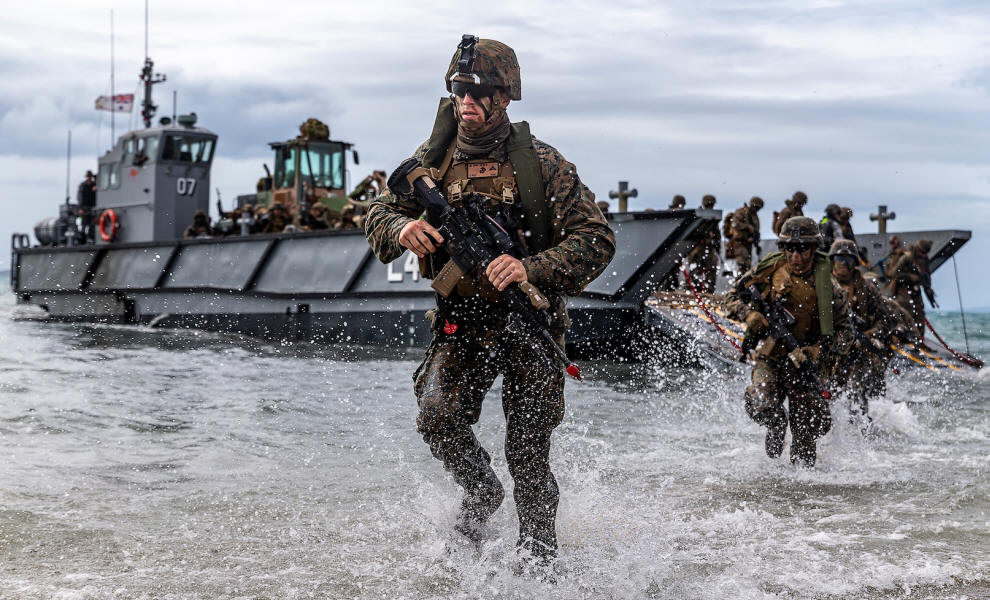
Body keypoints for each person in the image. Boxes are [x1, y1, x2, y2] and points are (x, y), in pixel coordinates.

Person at [364, 35, 615, 563]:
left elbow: (596, 239)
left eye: (478, 93)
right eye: (459, 91)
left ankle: (539, 564)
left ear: (504, 98)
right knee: (436, 417)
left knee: (528, 455)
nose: (466, 101)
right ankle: (481, 491)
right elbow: (379, 213)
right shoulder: (431, 160)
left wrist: (529, 267)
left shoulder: (542, 164)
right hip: (462, 322)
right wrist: (402, 227)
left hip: (529, 323)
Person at [726, 217, 852, 467]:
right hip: (772, 356)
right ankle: (776, 424)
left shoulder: (828, 286)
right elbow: (731, 298)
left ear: (814, 248)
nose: (795, 256)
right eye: (790, 248)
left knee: (806, 434)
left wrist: (818, 350)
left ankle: (801, 485)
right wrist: (749, 315)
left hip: (807, 365)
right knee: (761, 403)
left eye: (802, 249)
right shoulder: (769, 271)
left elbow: (846, 332)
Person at [828, 239, 899, 421]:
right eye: (840, 259)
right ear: (832, 260)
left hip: (859, 351)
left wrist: (869, 334)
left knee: (856, 394)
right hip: (830, 350)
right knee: (827, 396)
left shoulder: (865, 288)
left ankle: (862, 432)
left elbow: (887, 318)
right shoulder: (823, 286)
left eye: (849, 259)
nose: (844, 263)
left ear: (855, 263)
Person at [886, 239, 935, 341]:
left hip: (915, 292)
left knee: (920, 316)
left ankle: (919, 339)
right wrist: (909, 277)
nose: (922, 255)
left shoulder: (924, 260)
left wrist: (928, 289)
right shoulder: (906, 258)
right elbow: (893, 274)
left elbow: (926, 277)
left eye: (925, 253)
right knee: (905, 315)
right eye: (921, 252)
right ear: (917, 249)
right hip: (902, 291)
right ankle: (904, 338)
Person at [685, 195, 720, 293]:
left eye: (712, 205)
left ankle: (709, 291)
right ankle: (690, 290)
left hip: (708, 247)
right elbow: (691, 232)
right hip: (697, 247)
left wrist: (717, 247)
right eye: (709, 204)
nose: (711, 207)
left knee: (711, 268)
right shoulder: (697, 216)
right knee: (694, 269)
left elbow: (717, 235)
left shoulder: (713, 218)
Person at [724, 196, 763, 275]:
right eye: (756, 207)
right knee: (741, 267)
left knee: (747, 268)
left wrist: (756, 242)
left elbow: (755, 231)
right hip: (739, 244)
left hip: (748, 245)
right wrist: (747, 227)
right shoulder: (742, 212)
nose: (756, 209)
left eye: (758, 208)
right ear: (752, 205)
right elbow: (735, 224)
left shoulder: (755, 216)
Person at [77, 170, 98, 242]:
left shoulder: (94, 185)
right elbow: (79, 197)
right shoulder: (82, 185)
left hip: (92, 207)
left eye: (90, 176)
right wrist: (80, 208)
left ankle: (90, 237)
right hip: (84, 207)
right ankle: (82, 238)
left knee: (92, 224)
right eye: (88, 176)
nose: (89, 178)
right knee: (84, 223)